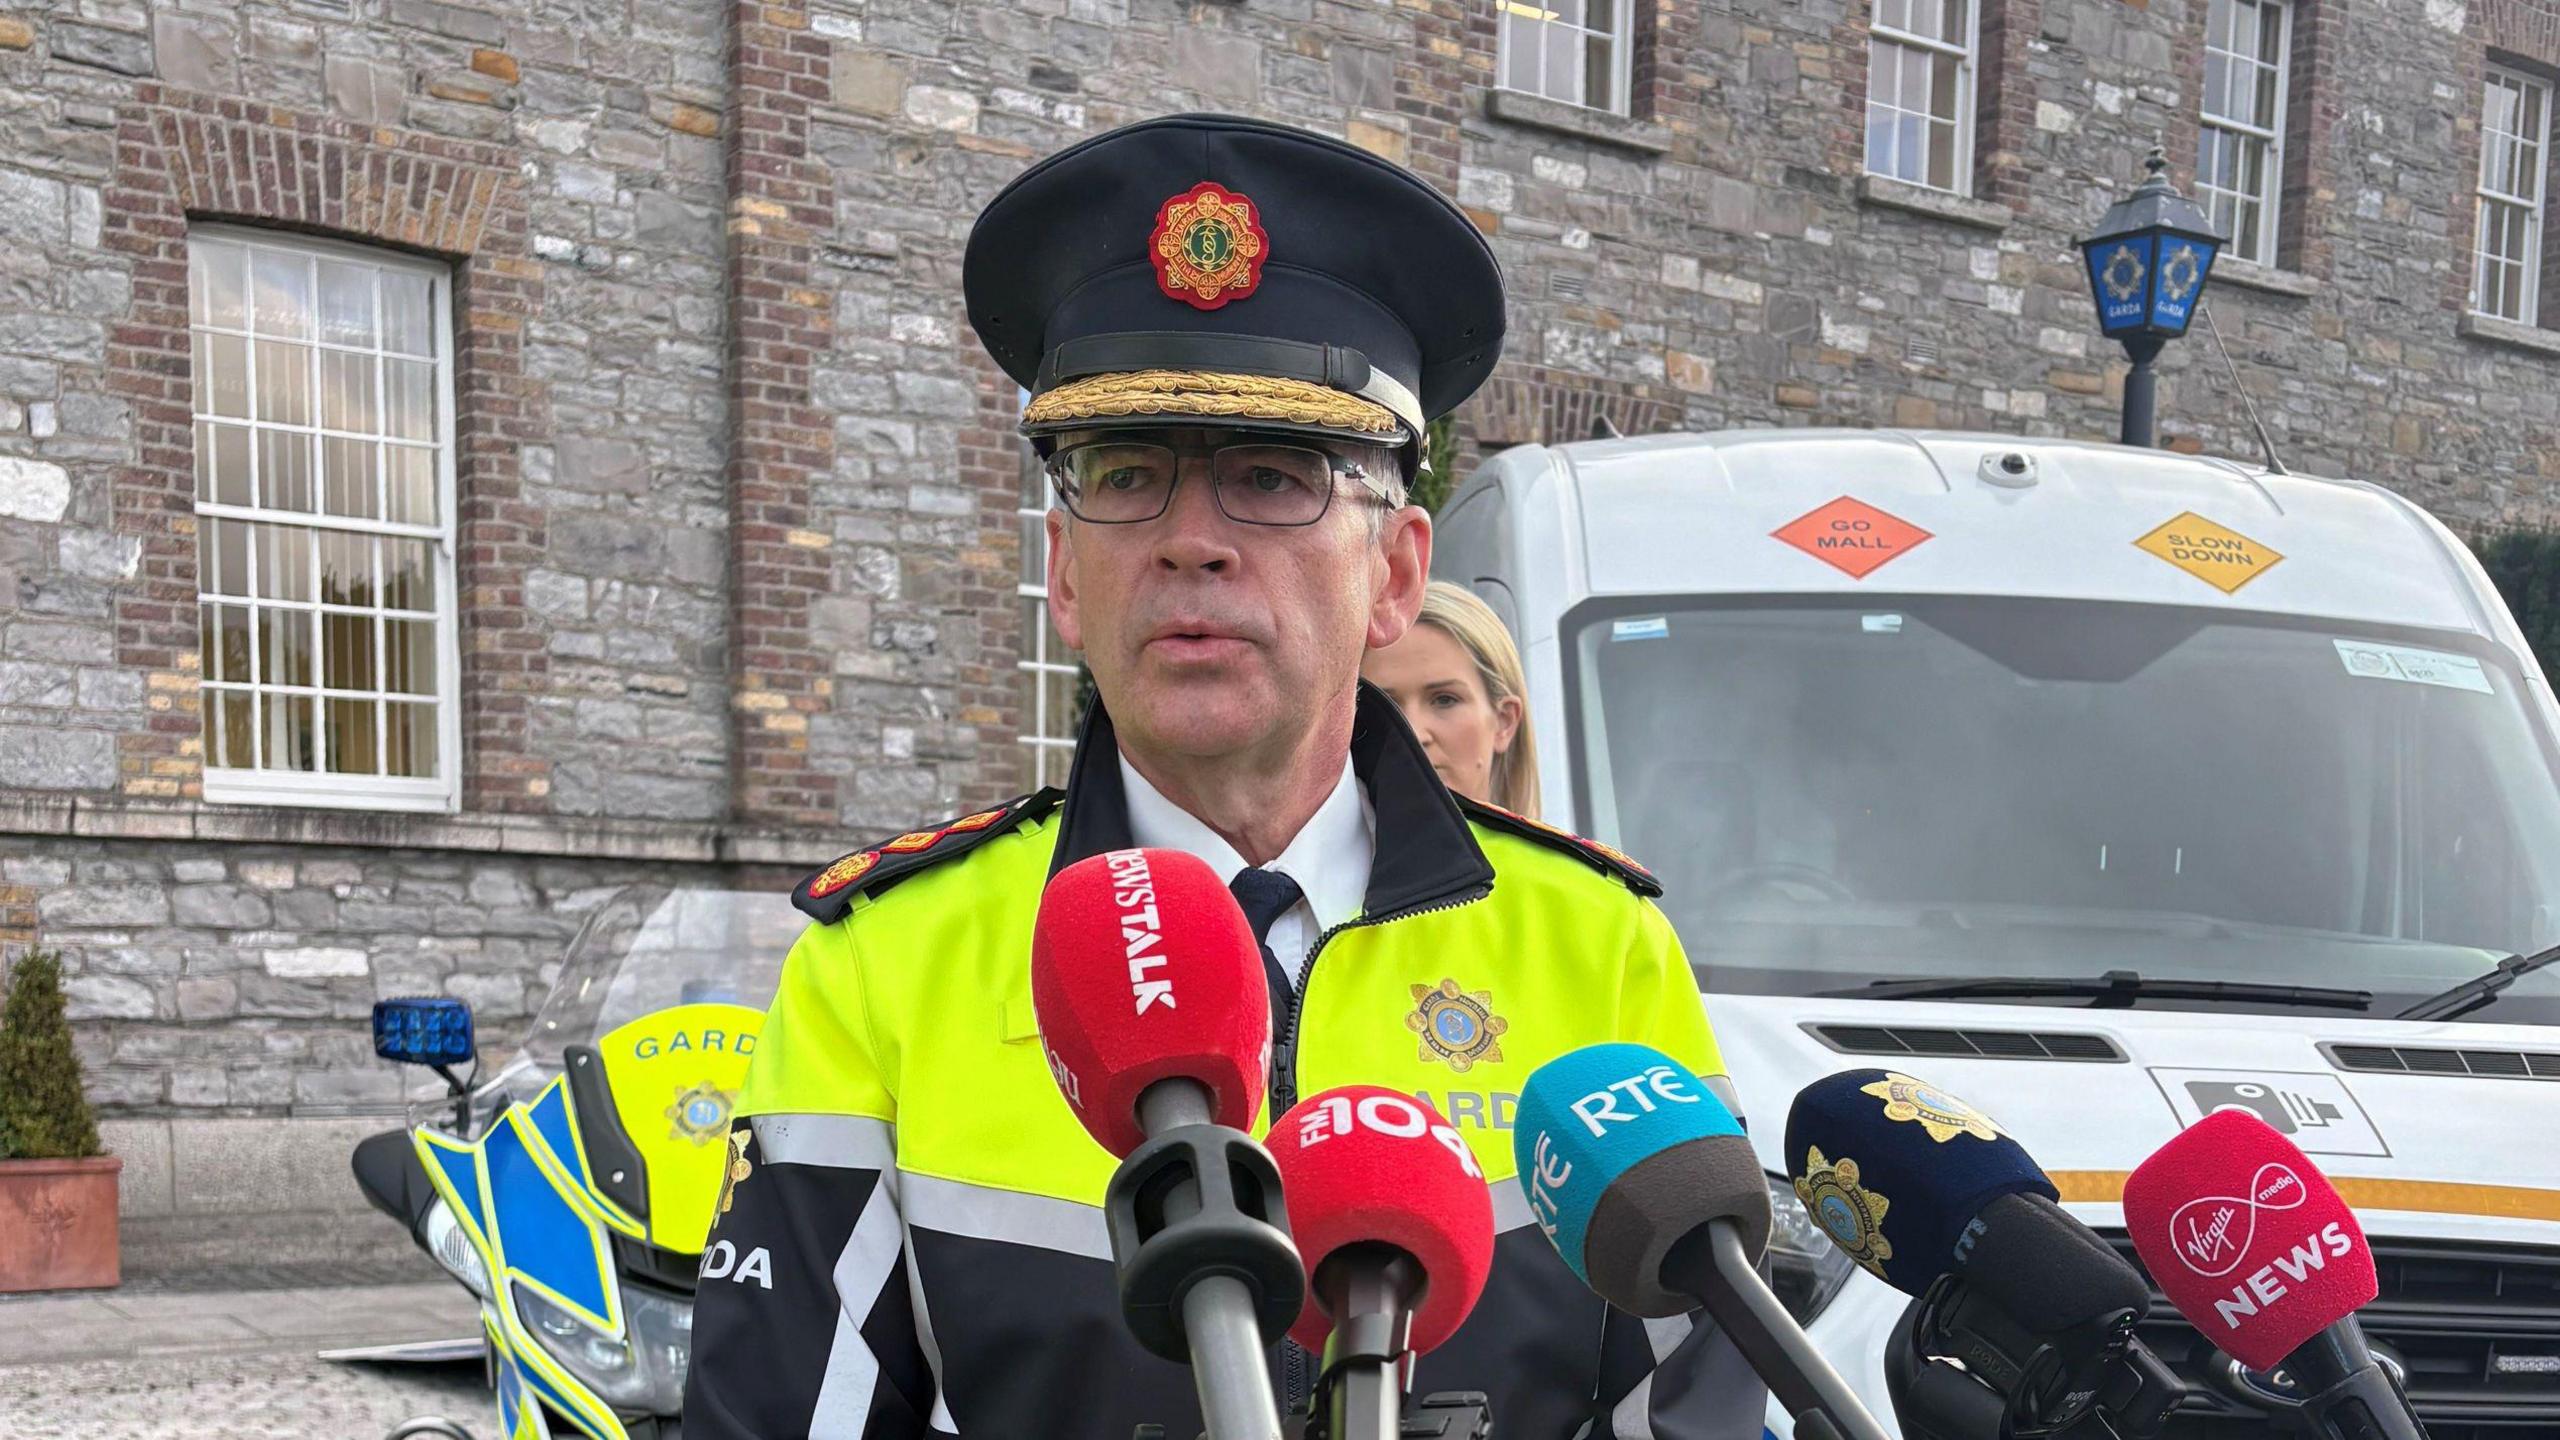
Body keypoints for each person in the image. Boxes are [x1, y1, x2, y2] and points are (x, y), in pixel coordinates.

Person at [684, 113, 1762, 1440]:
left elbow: (1695, 1409)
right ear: (1065, 574)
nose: (1191, 542)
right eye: (1126, 475)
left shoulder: (1597, 949)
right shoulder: (884, 968)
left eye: (1273, 477)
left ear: (1400, 574)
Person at [1362, 580, 1541, 817]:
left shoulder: (1558, 856)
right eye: (1385, 705)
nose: (1414, 733)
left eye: (1444, 700)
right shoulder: (1304, 853)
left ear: (1504, 721)